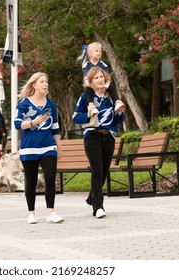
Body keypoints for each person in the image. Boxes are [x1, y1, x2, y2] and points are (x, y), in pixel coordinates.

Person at [73, 67, 125, 219]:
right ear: (90, 82)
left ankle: (92, 197)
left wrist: (120, 112)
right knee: (97, 171)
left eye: (101, 77)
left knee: (104, 171)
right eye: (96, 78)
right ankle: (98, 207)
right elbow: (76, 117)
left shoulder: (111, 97)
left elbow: (120, 119)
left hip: (108, 136)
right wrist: (88, 115)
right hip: (92, 136)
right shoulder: (86, 97)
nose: (99, 80)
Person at [14, 72, 64, 224]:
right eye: (42, 81)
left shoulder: (51, 105)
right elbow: (17, 124)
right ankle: (31, 213)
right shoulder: (23, 105)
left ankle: (51, 212)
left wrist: (59, 147)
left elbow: (55, 128)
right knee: (31, 181)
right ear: (34, 84)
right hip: (29, 148)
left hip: (48, 147)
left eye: (46, 81)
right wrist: (33, 122)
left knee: (50, 178)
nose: (45, 84)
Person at [78, 42, 126, 121]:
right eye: (96, 51)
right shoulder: (87, 65)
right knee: (87, 90)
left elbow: (107, 77)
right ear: (90, 54)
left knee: (111, 88)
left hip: (102, 85)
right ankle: (91, 106)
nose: (99, 53)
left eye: (100, 51)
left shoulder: (103, 65)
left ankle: (117, 102)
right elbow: (86, 78)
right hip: (91, 85)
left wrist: (106, 85)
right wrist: (90, 85)